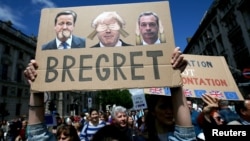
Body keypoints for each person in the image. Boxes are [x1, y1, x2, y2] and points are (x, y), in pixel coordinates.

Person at [23, 46, 187, 140]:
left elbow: (37, 135)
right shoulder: (105, 133)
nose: (123, 118)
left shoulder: (137, 137)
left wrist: (175, 79)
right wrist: (37, 87)